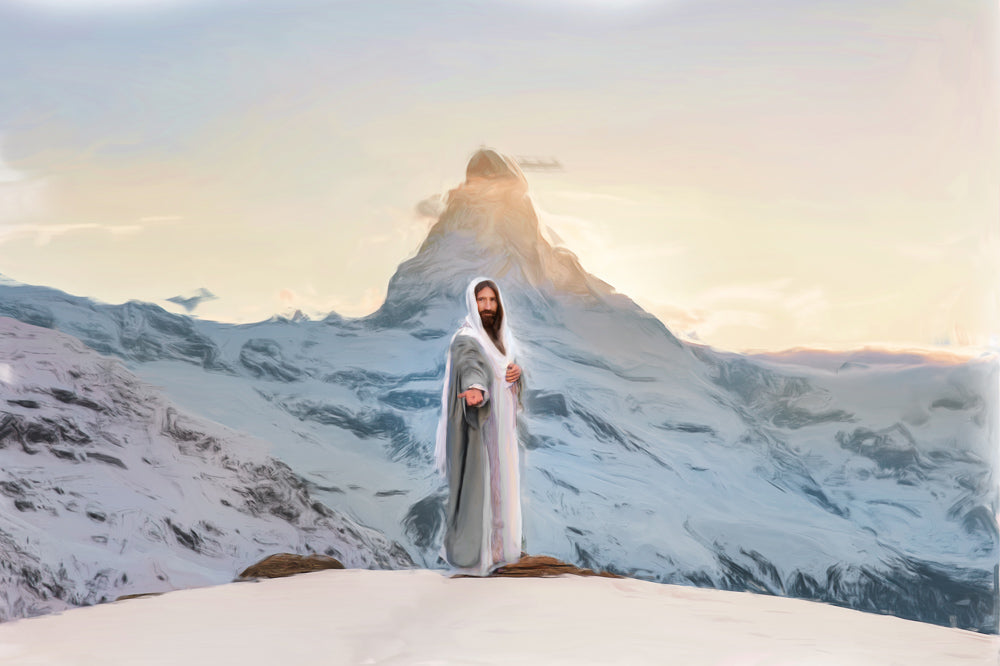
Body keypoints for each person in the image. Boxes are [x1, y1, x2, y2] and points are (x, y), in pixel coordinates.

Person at [435, 277, 524, 575]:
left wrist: (517, 371)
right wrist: (475, 388)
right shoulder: (467, 337)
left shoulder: (503, 339)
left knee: (503, 486)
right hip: (481, 428)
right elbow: (470, 363)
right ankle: (475, 558)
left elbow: (506, 370)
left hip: (503, 431)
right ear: (472, 304)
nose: (487, 306)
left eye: (492, 300)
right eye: (481, 300)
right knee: (480, 488)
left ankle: (500, 551)